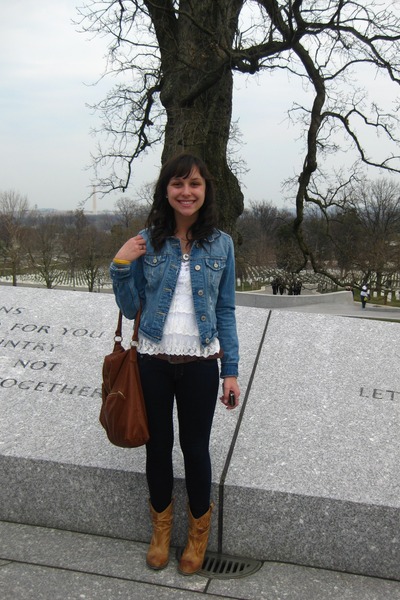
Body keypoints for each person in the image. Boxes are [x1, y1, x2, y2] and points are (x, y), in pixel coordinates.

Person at [110, 153, 240, 575]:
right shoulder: (148, 240)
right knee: (158, 447)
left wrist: (231, 371)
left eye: (195, 184)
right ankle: (161, 531)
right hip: (152, 361)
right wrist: (120, 264)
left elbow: (225, 311)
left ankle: (198, 535)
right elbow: (132, 309)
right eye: (178, 184)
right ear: (166, 191)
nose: (187, 192)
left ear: (205, 192)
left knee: (196, 449)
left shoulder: (221, 244)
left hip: (201, 364)